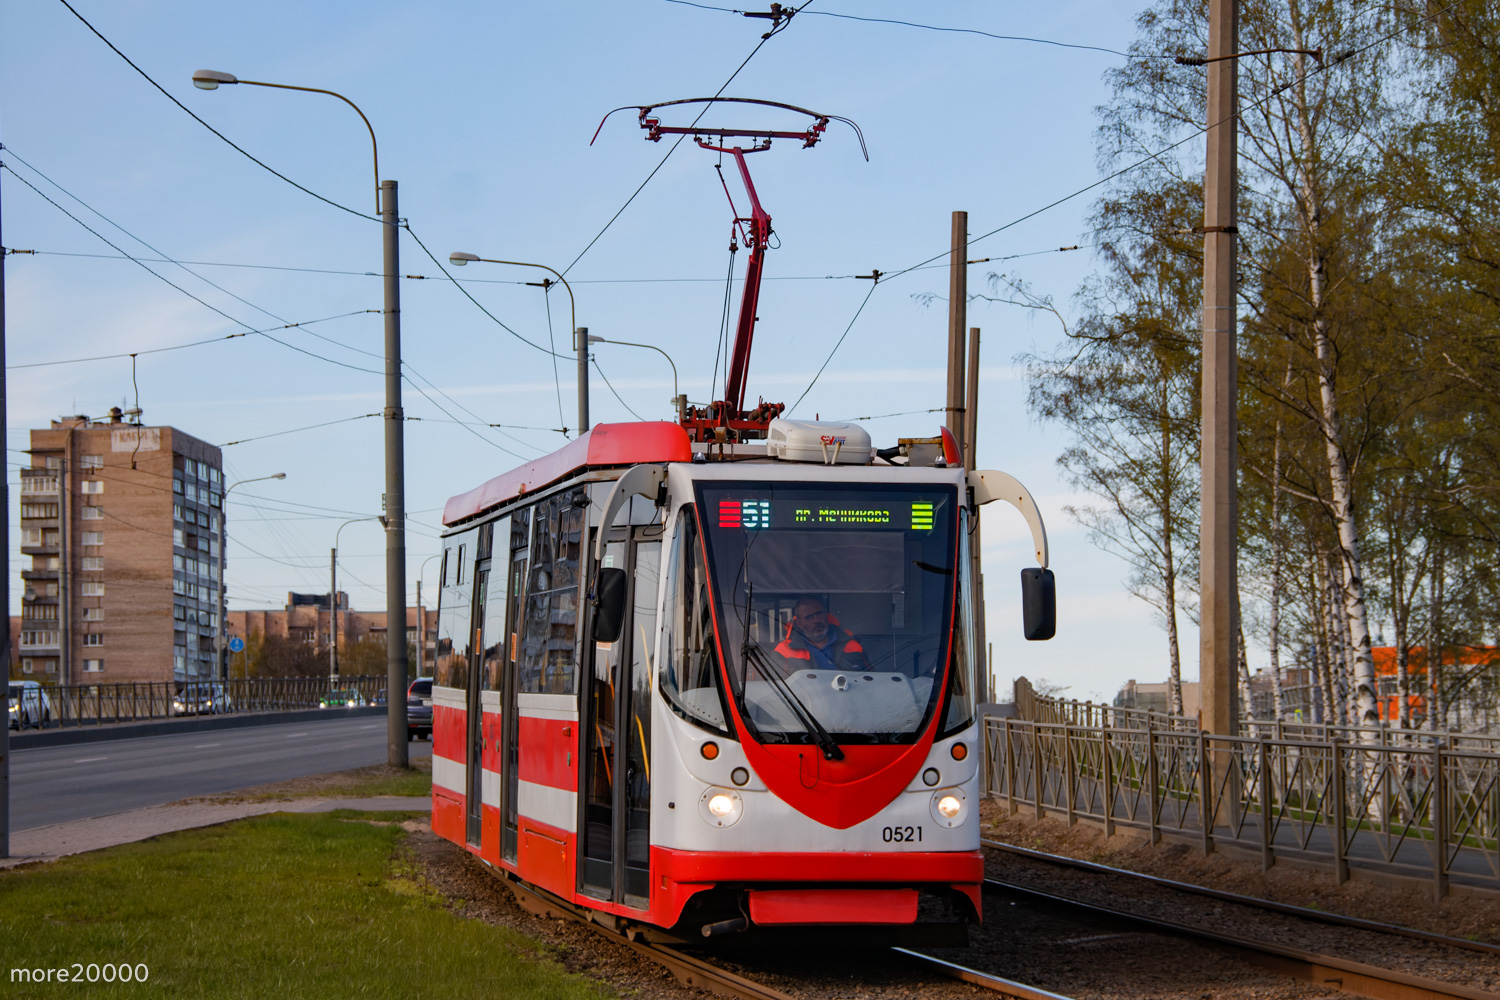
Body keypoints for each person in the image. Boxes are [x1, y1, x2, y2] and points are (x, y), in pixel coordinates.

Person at [774, 596, 871, 671]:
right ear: (799, 623)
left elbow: (871, 680)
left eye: (819, 613)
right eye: (809, 617)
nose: (816, 620)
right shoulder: (783, 651)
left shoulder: (853, 646)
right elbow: (771, 688)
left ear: (826, 615)